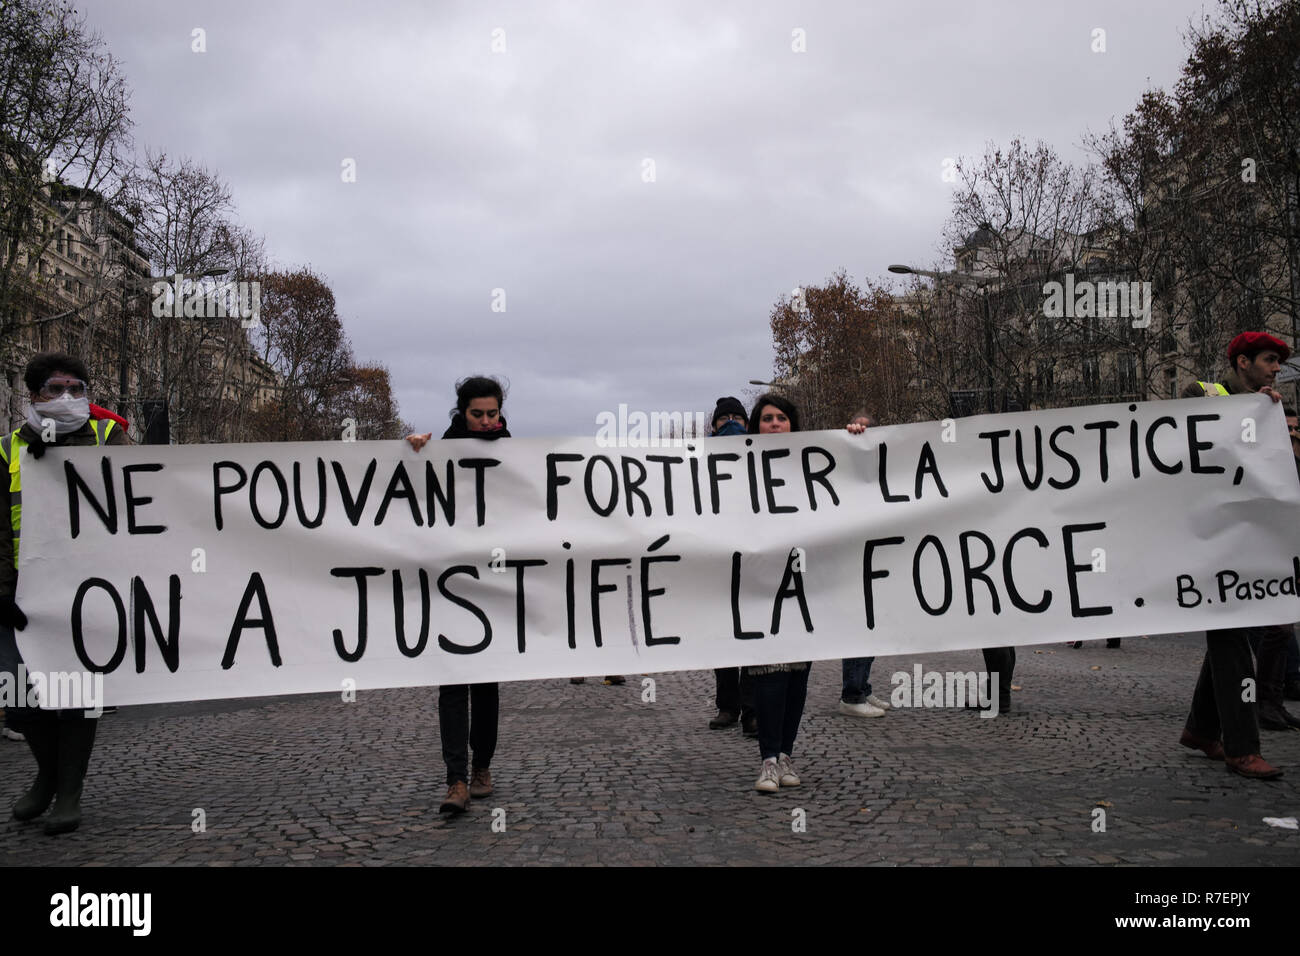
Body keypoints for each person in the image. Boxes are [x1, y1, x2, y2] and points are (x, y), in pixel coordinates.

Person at [1, 352, 129, 834]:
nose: (68, 398)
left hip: (87, 591)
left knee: (74, 696)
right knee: (20, 699)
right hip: (19, 597)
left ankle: (68, 793)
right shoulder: (6, 448)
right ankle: (47, 777)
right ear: (32, 395)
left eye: (77, 388)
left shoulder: (106, 436)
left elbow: (148, 498)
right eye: (55, 389)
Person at [1177, 332, 1288, 777]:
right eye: (1268, 360)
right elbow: (1177, 430)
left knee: (1229, 634)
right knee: (1231, 637)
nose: (1276, 368)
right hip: (1206, 542)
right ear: (1242, 362)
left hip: (1237, 541)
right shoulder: (1201, 393)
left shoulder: (1266, 408)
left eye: (1278, 362)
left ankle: (1202, 730)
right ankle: (1242, 747)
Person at [407, 376, 509, 813]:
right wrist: (410, 449)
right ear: (461, 413)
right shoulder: (438, 452)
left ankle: (482, 766)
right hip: (448, 583)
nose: (486, 422)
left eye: (492, 414)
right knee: (452, 686)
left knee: (485, 685)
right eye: (477, 414)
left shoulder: (515, 456)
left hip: (492, 585)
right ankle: (456, 779)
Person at [746, 393, 812, 792]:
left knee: (797, 673)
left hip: (803, 584)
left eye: (782, 418)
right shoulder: (735, 466)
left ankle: (786, 753)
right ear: (756, 426)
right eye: (767, 419)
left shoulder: (812, 461)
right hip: (756, 583)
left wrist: (858, 429)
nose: (775, 425)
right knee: (768, 669)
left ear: (792, 425)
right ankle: (768, 759)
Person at [705, 396, 757, 736]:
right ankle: (728, 706)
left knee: (753, 638)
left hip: (755, 563)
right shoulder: (697, 463)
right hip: (716, 564)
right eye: (725, 419)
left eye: (738, 417)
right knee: (723, 637)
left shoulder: (763, 458)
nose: (732, 423)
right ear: (714, 426)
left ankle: (753, 710)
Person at [839, 412, 890, 718]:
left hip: (878, 558)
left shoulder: (881, 467)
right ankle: (852, 694)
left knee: (872, 628)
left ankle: (863, 687)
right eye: (862, 430)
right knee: (860, 627)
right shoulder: (847, 463)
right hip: (853, 562)